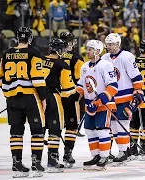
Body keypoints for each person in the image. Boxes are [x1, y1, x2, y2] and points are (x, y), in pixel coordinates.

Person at [0, 27, 46, 178]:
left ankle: (16, 163)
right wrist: (43, 97)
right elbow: (38, 78)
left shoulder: (6, 54)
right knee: (37, 130)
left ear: (18, 38)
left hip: (12, 98)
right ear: (30, 38)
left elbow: (0, 78)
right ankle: (36, 162)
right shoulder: (34, 53)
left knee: (16, 132)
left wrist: (8, 92)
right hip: (30, 97)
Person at [101, 33, 143, 165]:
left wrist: (137, 92)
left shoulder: (127, 57)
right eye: (107, 44)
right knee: (113, 127)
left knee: (123, 125)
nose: (108, 47)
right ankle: (125, 150)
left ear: (118, 44)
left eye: (111, 44)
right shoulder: (104, 58)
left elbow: (136, 78)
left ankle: (124, 151)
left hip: (125, 97)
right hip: (111, 97)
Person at [76, 40, 118, 170]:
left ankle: (104, 156)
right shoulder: (84, 66)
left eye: (90, 49)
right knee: (89, 131)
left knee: (102, 130)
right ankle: (95, 156)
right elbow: (81, 85)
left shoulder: (106, 65)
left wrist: (101, 99)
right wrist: (76, 95)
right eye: (87, 48)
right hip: (89, 106)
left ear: (98, 51)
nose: (87, 51)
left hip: (104, 105)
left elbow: (113, 85)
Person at [42, 38, 76, 172]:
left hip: (38, 98)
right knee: (55, 129)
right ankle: (52, 160)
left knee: (39, 130)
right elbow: (68, 90)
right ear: (59, 50)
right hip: (53, 99)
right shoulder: (62, 65)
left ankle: (36, 160)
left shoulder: (39, 60)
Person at [59, 31, 84, 167]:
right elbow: (80, 80)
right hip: (70, 96)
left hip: (54, 97)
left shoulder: (51, 56)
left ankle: (53, 155)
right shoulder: (77, 58)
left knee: (54, 127)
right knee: (71, 127)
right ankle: (67, 153)